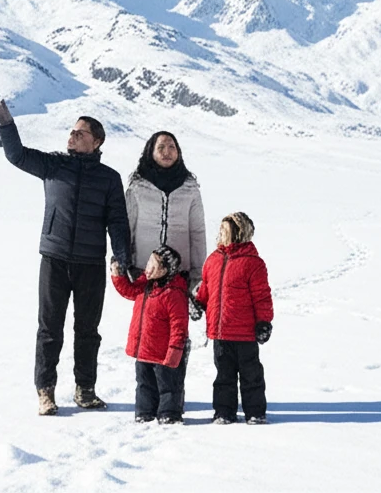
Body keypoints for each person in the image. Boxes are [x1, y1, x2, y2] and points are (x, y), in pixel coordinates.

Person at [0, 84, 131, 416]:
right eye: (71, 131)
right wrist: (5, 125)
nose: (72, 136)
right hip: (54, 259)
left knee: (87, 330)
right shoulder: (54, 165)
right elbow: (17, 155)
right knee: (49, 328)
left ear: (96, 141)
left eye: (79, 133)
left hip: (91, 264)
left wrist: (121, 256)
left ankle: (85, 390)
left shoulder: (109, 179)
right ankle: (45, 392)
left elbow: (118, 222)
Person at [124, 131, 206, 412]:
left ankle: (172, 396)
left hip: (179, 274)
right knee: (150, 333)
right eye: (162, 147)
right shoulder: (137, 186)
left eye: (172, 146)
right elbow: (127, 226)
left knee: (175, 333)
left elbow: (197, 232)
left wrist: (197, 276)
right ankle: (149, 399)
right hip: (146, 272)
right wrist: (126, 263)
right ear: (151, 151)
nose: (168, 151)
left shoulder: (190, 187)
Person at [192, 212, 274, 425]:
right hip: (220, 332)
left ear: (238, 234)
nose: (219, 234)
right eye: (219, 230)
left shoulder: (253, 263)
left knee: (251, 375)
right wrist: (198, 305)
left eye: (224, 231)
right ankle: (223, 412)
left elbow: (262, 296)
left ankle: (255, 412)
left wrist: (264, 322)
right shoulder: (213, 260)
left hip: (245, 333)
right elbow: (206, 290)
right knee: (223, 376)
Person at [111, 245, 189, 424]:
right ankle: (145, 412)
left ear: (166, 270)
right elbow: (129, 291)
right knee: (144, 384)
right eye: (149, 263)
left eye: (154, 265)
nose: (148, 268)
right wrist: (117, 275)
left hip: (164, 353)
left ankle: (169, 413)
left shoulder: (173, 293)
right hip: (144, 349)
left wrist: (175, 350)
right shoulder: (145, 284)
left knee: (168, 385)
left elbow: (179, 326)